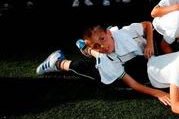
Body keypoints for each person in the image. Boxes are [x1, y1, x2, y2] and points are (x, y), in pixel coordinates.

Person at [36, 22, 171, 105]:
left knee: (110, 54)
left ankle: (86, 48)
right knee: (89, 70)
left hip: (130, 53)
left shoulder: (125, 32)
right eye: (96, 45)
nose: (103, 46)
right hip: (112, 62)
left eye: (102, 39)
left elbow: (148, 24)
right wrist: (158, 93)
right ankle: (58, 61)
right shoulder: (108, 60)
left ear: (108, 33)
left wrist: (149, 44)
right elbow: (133, 84)